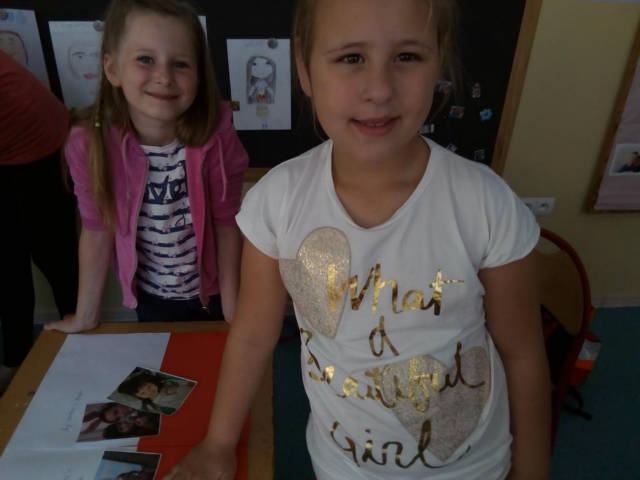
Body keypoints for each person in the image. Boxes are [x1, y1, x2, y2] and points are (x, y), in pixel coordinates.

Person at [165, 0, 550, 479]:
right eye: (351, 57)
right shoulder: (278, 202)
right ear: (304, 68)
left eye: (407, 56)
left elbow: (522, 354)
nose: (379, 89)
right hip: (342, 466)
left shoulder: (486, 204)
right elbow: (252, 336)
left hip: (472, 468)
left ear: (438, 60)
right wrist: (219, 444)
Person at [44, 0, 248, 333]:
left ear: (199, 75)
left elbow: (226, 224)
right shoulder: (89, 144)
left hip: (213, 292)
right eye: (145, 59)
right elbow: (96, 230)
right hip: (152, 298)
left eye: (180, 64)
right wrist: (85, 316)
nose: (164, 77)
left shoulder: (216, 135)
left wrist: (232, 311)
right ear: (112, 69)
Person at [0, 51, 79, 395]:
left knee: (54, 259)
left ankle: (81, 340)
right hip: (25, 143)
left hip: (40, 147)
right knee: (11, 266)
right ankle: (16, 356)